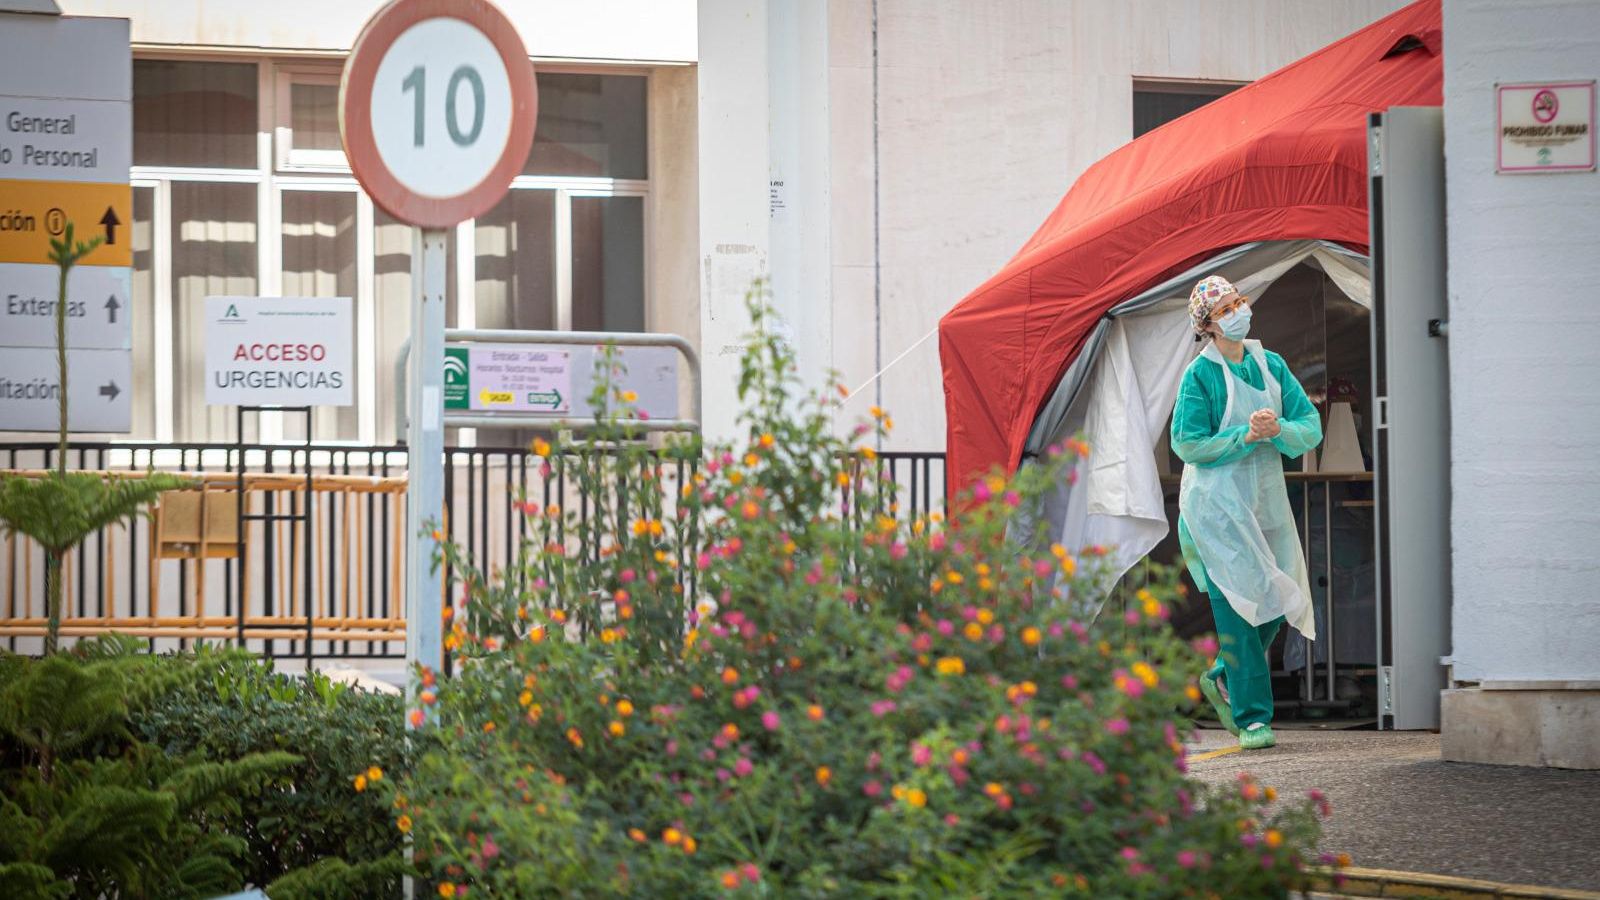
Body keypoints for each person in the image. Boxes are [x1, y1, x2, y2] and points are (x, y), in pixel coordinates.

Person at [1172, 275, 1321, 750]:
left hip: (1264, 502)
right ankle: (1253, 717)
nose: (1239, 310)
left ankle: (1221, 673)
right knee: (1238, 610)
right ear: (1209, 326)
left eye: (1239, 301)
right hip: (1216, 511)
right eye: (1226, 308)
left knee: (1282, 596)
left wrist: (1277, 428)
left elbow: (1309, 426)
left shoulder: (1271, 365)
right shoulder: (1200, 376)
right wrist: (1244, 437)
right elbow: (1188, 443)